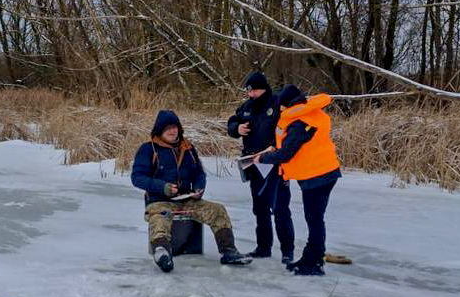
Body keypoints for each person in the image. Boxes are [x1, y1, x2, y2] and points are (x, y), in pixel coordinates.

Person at [131, 110, 251, 272]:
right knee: (160, 219)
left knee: (217, 210)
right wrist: (163, 187)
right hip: (159, 201)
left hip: (187, 200)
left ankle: (228, 251)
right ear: (159, 130)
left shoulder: (188, 148)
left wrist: (199, 188)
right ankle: (162, 252)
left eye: (175, 127)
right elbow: (137, 178)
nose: (172, 131)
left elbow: (199, 173)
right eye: (168, 128)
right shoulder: (148, 149)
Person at [255, 85, 340, 276]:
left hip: (317, 176)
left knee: (314, 219)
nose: (281, 110)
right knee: (315, 219)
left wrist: (262, 158)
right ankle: (310, 258)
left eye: (282, 106)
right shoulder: (311, 113)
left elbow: (286, 153)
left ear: (287, 104)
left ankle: (315, 262)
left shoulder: (299, 122)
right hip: (325, 172)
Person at [227, 72, 295, 264]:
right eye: (249, 91)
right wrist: (236, 129)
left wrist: (278, 148)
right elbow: (232, 121)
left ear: (264, 88)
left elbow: (292, 125)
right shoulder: (247, 107)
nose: (251, 94)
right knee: (260, 209)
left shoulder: (276, 103)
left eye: (255, 90)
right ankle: (263, 247)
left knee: (280, 209)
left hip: (274, 165)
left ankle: (287, 252)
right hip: (253, 164)